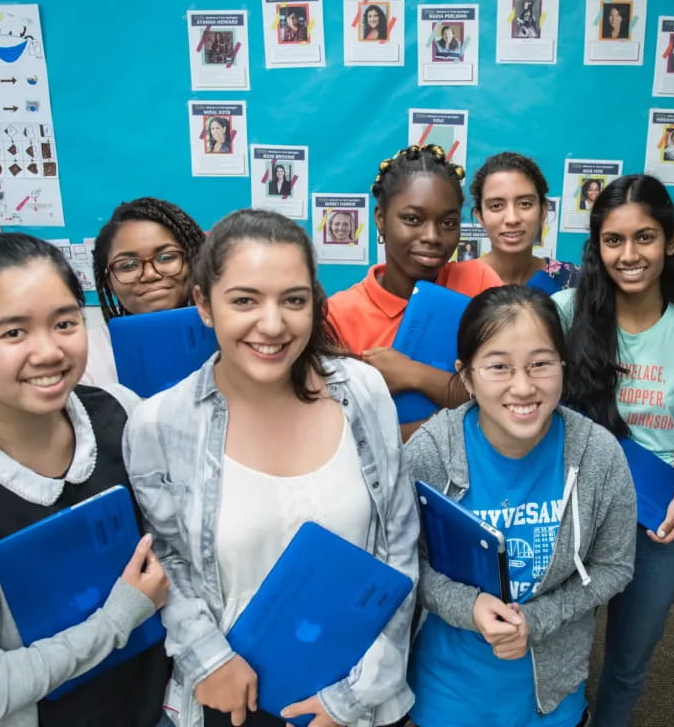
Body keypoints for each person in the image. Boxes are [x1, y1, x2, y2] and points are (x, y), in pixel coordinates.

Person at [123, 209, 420, 727]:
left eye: (294, 300)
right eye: (244, 300)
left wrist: (352, 698)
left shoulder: (363, 391)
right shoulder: (158, 425)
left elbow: (398, 550)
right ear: (204, 304)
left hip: (356, 699)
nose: (273, 324)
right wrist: (209, 661)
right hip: (231, 701)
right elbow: (167, 563)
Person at [0, 232, 170, 727]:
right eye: (14, 333)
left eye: (64, 322)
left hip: (163, 706)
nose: (49, 352)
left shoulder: (122, 412)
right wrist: (117, 619)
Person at [405, 285, 637, 727]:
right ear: (467, 376)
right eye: (498, 367)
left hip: (550, 698)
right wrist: (466, 606)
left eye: (541, 364)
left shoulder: (598, 454)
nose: (524, 386)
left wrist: (538, 619)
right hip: (447, 694)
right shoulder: (430, 452)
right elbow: (403, 563)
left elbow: (615, 566)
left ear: (563, 368)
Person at [552, 174, 674, 727]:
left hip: (658, 517)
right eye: (613, 240)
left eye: (645, 237)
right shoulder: (566, 312)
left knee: (629, 662)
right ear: (597, 247)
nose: (630, 254)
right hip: (573, 511)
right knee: (558, 649)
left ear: (670, 240)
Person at [327, 144, 502, 438]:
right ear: (381, 219)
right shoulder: (340, 314)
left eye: (448, 223)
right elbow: (342, 433)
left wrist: (412, 374)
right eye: (412, 219)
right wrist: (454, 421)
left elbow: (507, 396)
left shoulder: (480, 282)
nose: (432, 236)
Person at [88, 197, 206, 386]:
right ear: (109, 282)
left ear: (193, 262)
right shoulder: (88, 354)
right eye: (127, 265)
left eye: (166, 257)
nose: (150, 274)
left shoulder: (227, 334)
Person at [473, 151, 580, 290]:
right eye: (496, 206)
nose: (512, 219)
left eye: (525, 204)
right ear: (480, 216)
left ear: (543, 211)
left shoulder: (574, 282)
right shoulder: (454, 283)